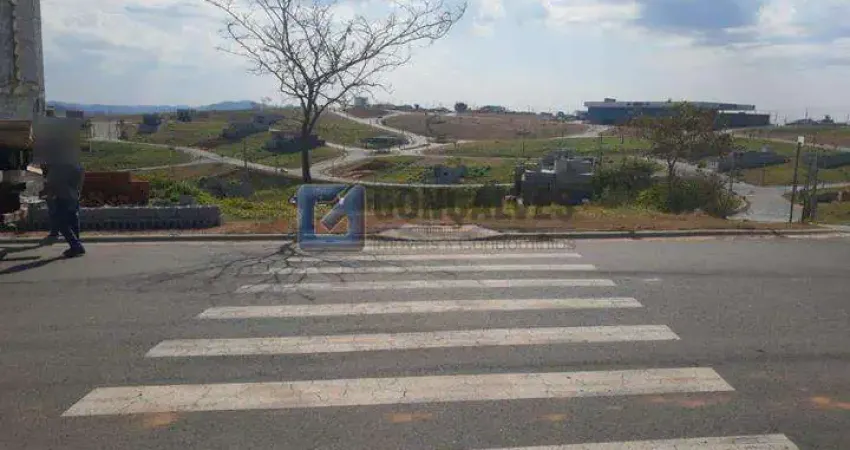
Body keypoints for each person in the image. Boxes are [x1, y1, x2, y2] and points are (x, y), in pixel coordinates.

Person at [46, 163, 86, 257]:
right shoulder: (76, 164)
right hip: (74, 195)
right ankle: (76, 245)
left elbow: (53, 181)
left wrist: (49, 194)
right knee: (73, 220)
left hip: (63, 196)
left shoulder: (58, 166)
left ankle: (76, 246)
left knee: (60, 222)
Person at [39, 164, 60, 242]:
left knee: (53, 212)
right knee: (54, 211)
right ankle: (56, 231)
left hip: (52, 194)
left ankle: (55, 231)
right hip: (53, 193)